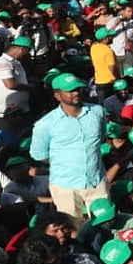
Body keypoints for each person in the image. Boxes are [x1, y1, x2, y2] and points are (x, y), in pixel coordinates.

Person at [29, 74, 108, 219]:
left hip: (96, 182)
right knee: (72, 229)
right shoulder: (45, 124)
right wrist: (64, 162)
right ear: (58, 95)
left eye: (77, 89)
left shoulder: (97, 112)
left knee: (105, 224)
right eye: (70, 91)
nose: (76, 93)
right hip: (64, 186)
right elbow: (38, 154)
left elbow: (101, 138)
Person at [0, 37, 32, 131]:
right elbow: (10, 84)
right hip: (3, 113)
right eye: (27, 51)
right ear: (21, 49)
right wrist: (30, 87)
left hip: (18, 111)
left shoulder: (16, 63)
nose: (27, 54)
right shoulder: (2, 62)